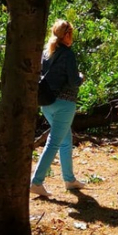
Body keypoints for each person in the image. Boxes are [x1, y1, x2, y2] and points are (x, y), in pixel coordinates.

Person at [30, 19, 86, 197]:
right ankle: (36, 181)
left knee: (65, 139)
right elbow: (73, 82)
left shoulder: (47, 53)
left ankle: (69, 180)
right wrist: (81, 77)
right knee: (54, 142)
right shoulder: (68, 54)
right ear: (67, 34)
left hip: (46, 104)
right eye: (72, 34)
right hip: (64, 104)